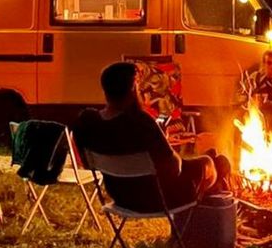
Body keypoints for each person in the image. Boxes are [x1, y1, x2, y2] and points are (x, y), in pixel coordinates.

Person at [75, 62, 228, 211]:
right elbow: (174, 168)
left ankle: (214, 172)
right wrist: (165, 143)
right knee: (211, 163)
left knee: (211, 158)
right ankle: (211, 211)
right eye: (138, 84)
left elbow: (87, 164)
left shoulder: (89, 121)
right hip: (156, 199)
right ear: (133, 87)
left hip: (121, 197)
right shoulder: (141, 122)